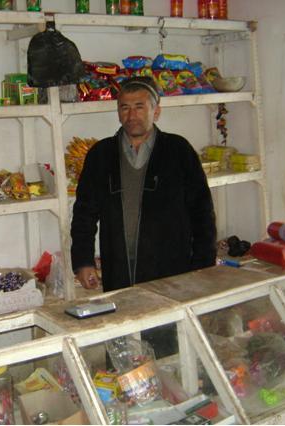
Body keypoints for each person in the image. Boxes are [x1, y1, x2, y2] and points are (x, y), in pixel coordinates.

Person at [70, 76, 217, 355]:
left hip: (170, 270)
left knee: (171, 347)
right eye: (124, 107)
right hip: (119, 270)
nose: (131, 115)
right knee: (123, 346)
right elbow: (84, 213)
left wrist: (202, 267)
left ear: (156, 111)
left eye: (140, 107)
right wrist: (83, 261)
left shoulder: (178, 151)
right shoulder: (101, 154)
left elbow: (202, 213)